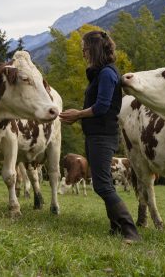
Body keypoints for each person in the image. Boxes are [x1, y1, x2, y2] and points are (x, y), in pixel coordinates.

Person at [59, 30, 140, 244]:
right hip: (97, 135)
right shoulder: (103, 73)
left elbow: (103, 106)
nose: (83, 53)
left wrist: (78, 114)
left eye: (85, 48)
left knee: (102, 184)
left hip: (102, 136)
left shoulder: (107, 74)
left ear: (93, 49)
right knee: (104, 183)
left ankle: (131, 231)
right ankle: (115, 227)